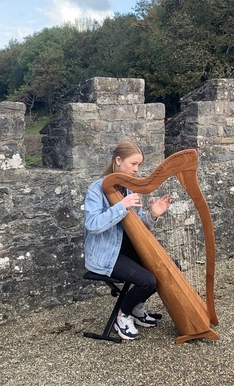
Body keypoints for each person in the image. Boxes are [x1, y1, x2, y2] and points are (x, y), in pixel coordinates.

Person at [84, 141, 173, 340]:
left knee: (169, 266)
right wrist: (121, 206)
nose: (136, 169)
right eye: (133, 164)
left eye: (139, 165)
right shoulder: (96, 189)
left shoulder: (129, 190)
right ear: (118, 160)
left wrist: (153, 215)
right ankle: (122, 316)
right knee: (147, 281)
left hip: (126, 249)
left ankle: (136, 307)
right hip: (105, 254)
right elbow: (93, 225)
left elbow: (138, 228)